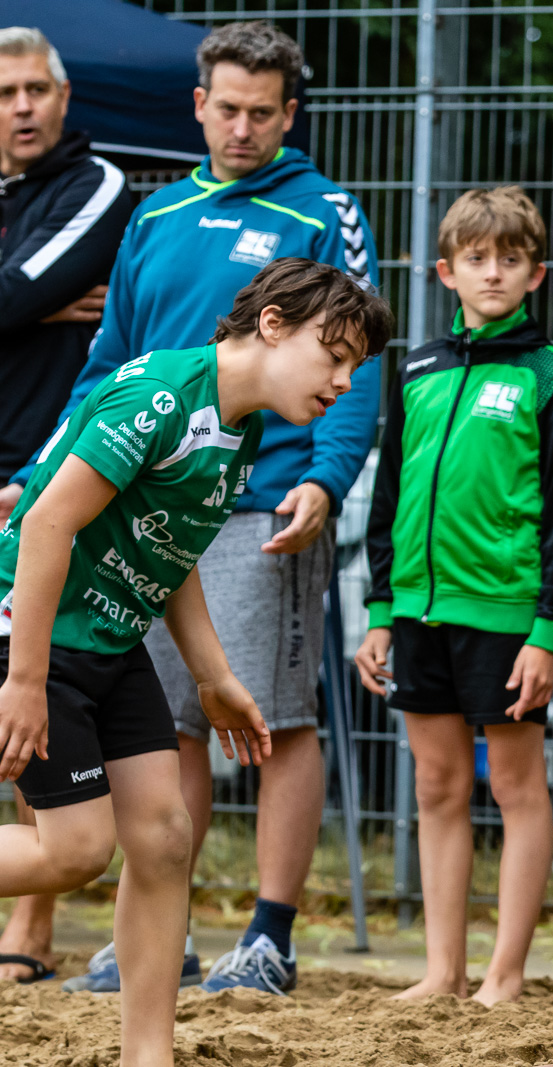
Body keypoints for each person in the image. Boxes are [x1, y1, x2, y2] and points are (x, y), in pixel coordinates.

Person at [4, 20, 382, 996]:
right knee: (121, 798)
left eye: (264, 111)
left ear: (290, 115)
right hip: (90, 549)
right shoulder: (157, 218)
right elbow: (107, 371)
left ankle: (265, 932)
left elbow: (356, 368)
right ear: (199, 106)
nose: (243, 126)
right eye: (227, 107)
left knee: (252, 731)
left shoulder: (324, 213)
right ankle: (142, 943)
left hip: (246, 505)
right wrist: (49, 468)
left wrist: (327, 477)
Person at [0, 258, 390, 1067]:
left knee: (167, 836)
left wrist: (215, 679)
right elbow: (44, 525)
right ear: (274, 323)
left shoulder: (241, 426)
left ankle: (151, 1055)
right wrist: (25, 678)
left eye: (357, 365)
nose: (347, 382)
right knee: (74, 850)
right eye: (336, 354)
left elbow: (171, 559)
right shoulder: (163, 396)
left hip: (110, 639)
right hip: (36, 631)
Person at [353, 186, 553, 1006]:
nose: (494, 273)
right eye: (478, 259)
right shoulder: (414, 367)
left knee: (516, 789)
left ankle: (505, 973)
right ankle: (443, 970)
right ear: (445, 270)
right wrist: (380, 612)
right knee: (435, 787)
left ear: (536, 273)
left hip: (505, 615)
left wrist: (547, 631)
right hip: (417, 612)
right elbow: (389, 496)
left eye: (511, 259)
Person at [0, 25, 134, 984]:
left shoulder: (96, 185)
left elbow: (12, 299)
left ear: (63, 94)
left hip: (41, 472)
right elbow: (13, 297)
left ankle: (29, 935)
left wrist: (25, 306)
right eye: (3, 92)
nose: (20, 107)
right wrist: (28, 303)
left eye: (34, 90)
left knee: (33, 682)